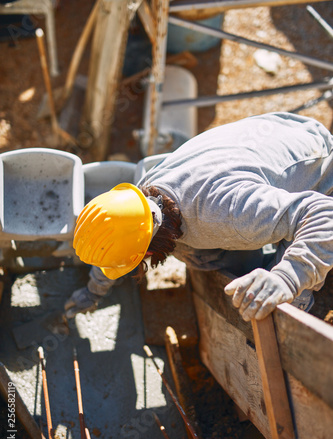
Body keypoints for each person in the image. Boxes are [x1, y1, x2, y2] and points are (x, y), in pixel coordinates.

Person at [65, 112, 333, 322]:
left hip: (317, 168)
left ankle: (297, 297)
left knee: (281, 304)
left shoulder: (228, 213)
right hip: (281, 132)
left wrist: (286, 278)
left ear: (145, 251)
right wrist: (93, 290)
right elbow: (115, 237)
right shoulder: (142, 197)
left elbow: (323, 214)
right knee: (199, 256)